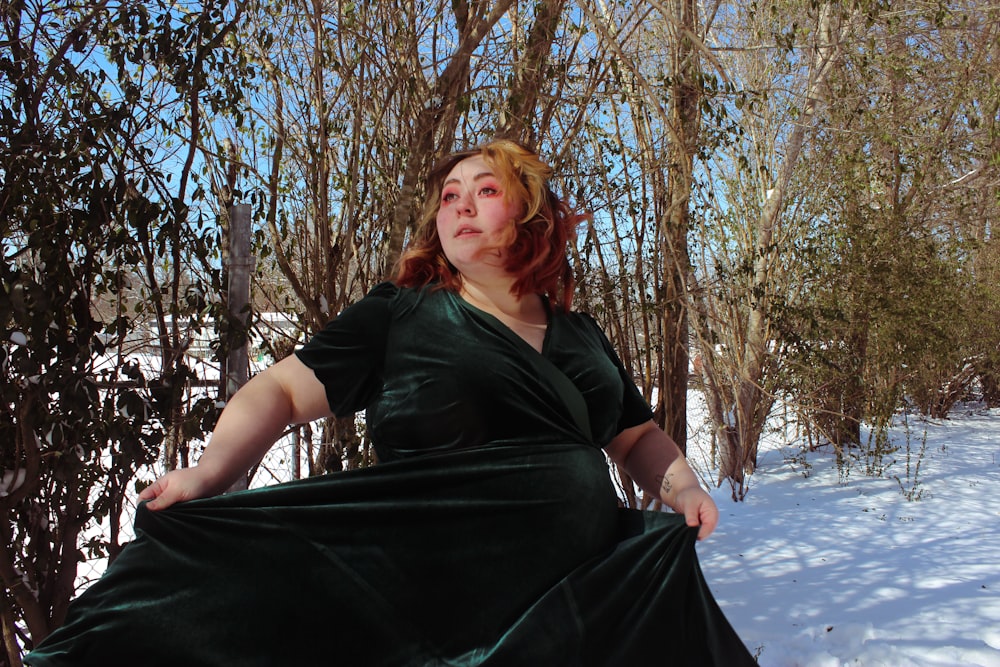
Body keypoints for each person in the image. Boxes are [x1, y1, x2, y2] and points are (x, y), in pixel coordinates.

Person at [26, 140, 755, 666]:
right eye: (449, 196)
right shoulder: (402, 316)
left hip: (582, 606)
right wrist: (208, 472)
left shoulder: (581, 334)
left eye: (486, 189)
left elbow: (632, 435)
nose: (461, 203)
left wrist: (683, 485)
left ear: (530, 210)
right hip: (432, 608)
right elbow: (278, 389)